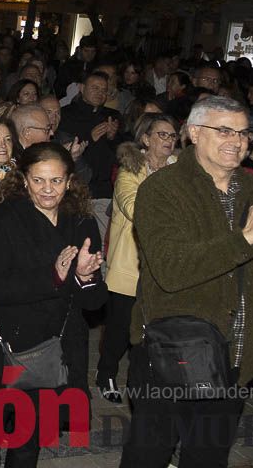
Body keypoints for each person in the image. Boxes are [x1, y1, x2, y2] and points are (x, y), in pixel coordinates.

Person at [120, 95, 253, 468]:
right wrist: (244, 238)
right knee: (147, 456)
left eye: (244, 133)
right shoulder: (162, 189)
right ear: (194, 133)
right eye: (224, 130)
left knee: (208, 459)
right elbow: (171, 269)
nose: (237, 141)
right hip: (172, 356)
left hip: (236, 362)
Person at [0, 142, 106, 468]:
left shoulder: (82, 222)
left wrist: (85, 276)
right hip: (3, 347)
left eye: (56, 180)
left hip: (55, 349)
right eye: (38, 180)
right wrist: (54, 276)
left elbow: (95, 301)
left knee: (30, 440)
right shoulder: (2, 220)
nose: (47, 189)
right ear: (24, 180)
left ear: (69, 181)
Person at [96, 113, 177, 403]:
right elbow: (134, 208)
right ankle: (105, 373)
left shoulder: (178, 169)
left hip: (163, 266)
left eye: (172, 136)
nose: (169, 141)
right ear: (146, 139)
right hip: (129, 263)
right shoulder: (131, 170)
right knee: (119, 328)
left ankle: (141, 381)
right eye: (162, 135)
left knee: (151, 330)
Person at [57, 71, 121, 242]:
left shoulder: (112, 116)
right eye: (95, 88)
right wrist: (89, 137)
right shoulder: (66, 114)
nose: (100, 93)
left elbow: (122, 152)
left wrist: (113, 138)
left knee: (102, 241)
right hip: (75, 190)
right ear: (81, 88)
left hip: (105, 190)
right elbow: (63, 152)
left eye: (104, 89)